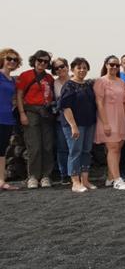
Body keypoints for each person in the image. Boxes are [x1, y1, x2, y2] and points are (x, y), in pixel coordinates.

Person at [16, 50, 55, 189]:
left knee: (47, 146)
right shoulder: (25, 75)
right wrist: (22, 113)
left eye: (45, 61)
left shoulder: (49, 78)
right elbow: (19, 95)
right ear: (34, 60)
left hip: (46, 113)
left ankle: (46, 176)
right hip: (31, 112)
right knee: (34, 146)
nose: (42, 63)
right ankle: (33, 176)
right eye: (40, 60)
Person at [58, 57, 97, 193]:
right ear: (72, 69)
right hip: (74, 125)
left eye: (84, 68)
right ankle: (75, 182)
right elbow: (65, 107)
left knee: (86, 151)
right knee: (75, 151)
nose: (82, 70)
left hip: (89, 123)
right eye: (79, 67)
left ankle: (85, 180)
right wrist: (73, 125)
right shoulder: (69, 85)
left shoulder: (88, 85)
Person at [94, 55, 125, 190]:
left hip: (120, 119)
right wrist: (105, 123)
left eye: (116, 65)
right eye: (111, 64)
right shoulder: (100, 81)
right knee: (113, 148)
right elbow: (99, 103)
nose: (114, 67)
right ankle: (117, 179)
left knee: (117, 148)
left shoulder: (121, 82)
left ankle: (110, 176)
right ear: (106, 65)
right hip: (108, 119)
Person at [0, 48, 22, 191]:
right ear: (2, 59)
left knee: (2, 151)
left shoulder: (13, 80)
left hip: (7, 119)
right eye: (9, 58)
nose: (12, 61)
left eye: (15, 60)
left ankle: (1, 181)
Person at [52, 57, 70, 185]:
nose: (60, 69)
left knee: (77, 148)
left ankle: (76, 172)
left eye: (62, 66)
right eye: (56, 68)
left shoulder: (76, 80)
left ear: (67, 67)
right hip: (61, 119)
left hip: (79, 119)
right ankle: (65, 174)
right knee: (63, 148)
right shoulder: (54, 83)